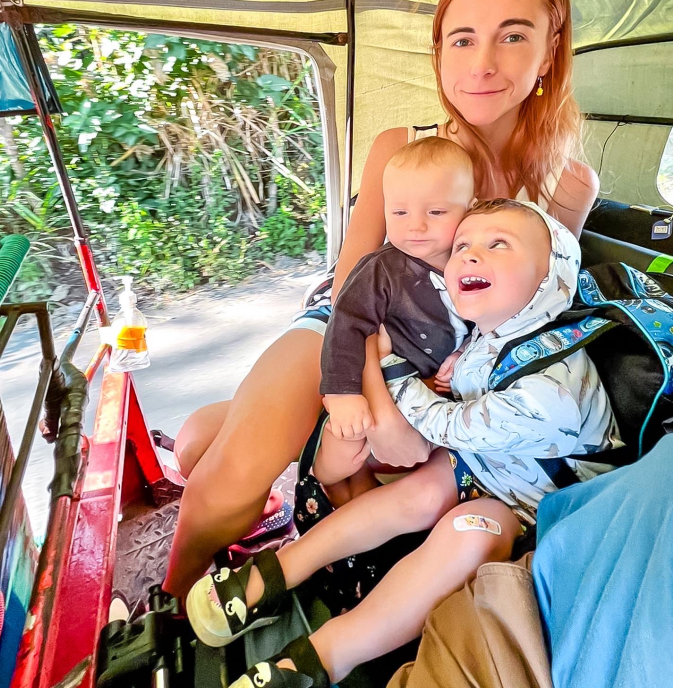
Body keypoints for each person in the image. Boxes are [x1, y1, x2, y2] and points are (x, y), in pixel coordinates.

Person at [164, 0, 600, 599]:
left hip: (453, 364)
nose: (482, 63)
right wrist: (381, 407)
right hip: (355, 332)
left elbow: (532, 318)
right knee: (226, 476)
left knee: (203, 445)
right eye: (462, 39)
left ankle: (258, 436)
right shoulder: (401, 148)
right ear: (438, 53)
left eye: (512, 36)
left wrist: (438, 400)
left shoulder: (569, 186)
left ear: (550, 49)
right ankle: (169, 612)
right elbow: (348, 294)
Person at [185, 200, 618, 688]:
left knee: (470, 531)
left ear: (553, 278)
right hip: (493, 468)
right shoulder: (492, 335)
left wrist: (393, 367)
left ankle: (322, 658)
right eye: (462, 246)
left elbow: (445, 425)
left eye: (497, 244)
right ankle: (276, 574)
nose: (471, 256)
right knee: (423, 491)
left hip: (543, 507)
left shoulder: (555, 389)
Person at [314, 135, 472, 499]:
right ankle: (322, 480)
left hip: (434, 396)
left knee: (412, 469)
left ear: (469, 208)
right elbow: (346, 324)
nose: (415, 226)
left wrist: (463, 355)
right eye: (399, 213)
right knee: (348, 441)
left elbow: (490, 323)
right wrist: (342, 393)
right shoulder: (381, 269)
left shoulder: (471, 264)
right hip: (378, 389)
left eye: (435, 213)